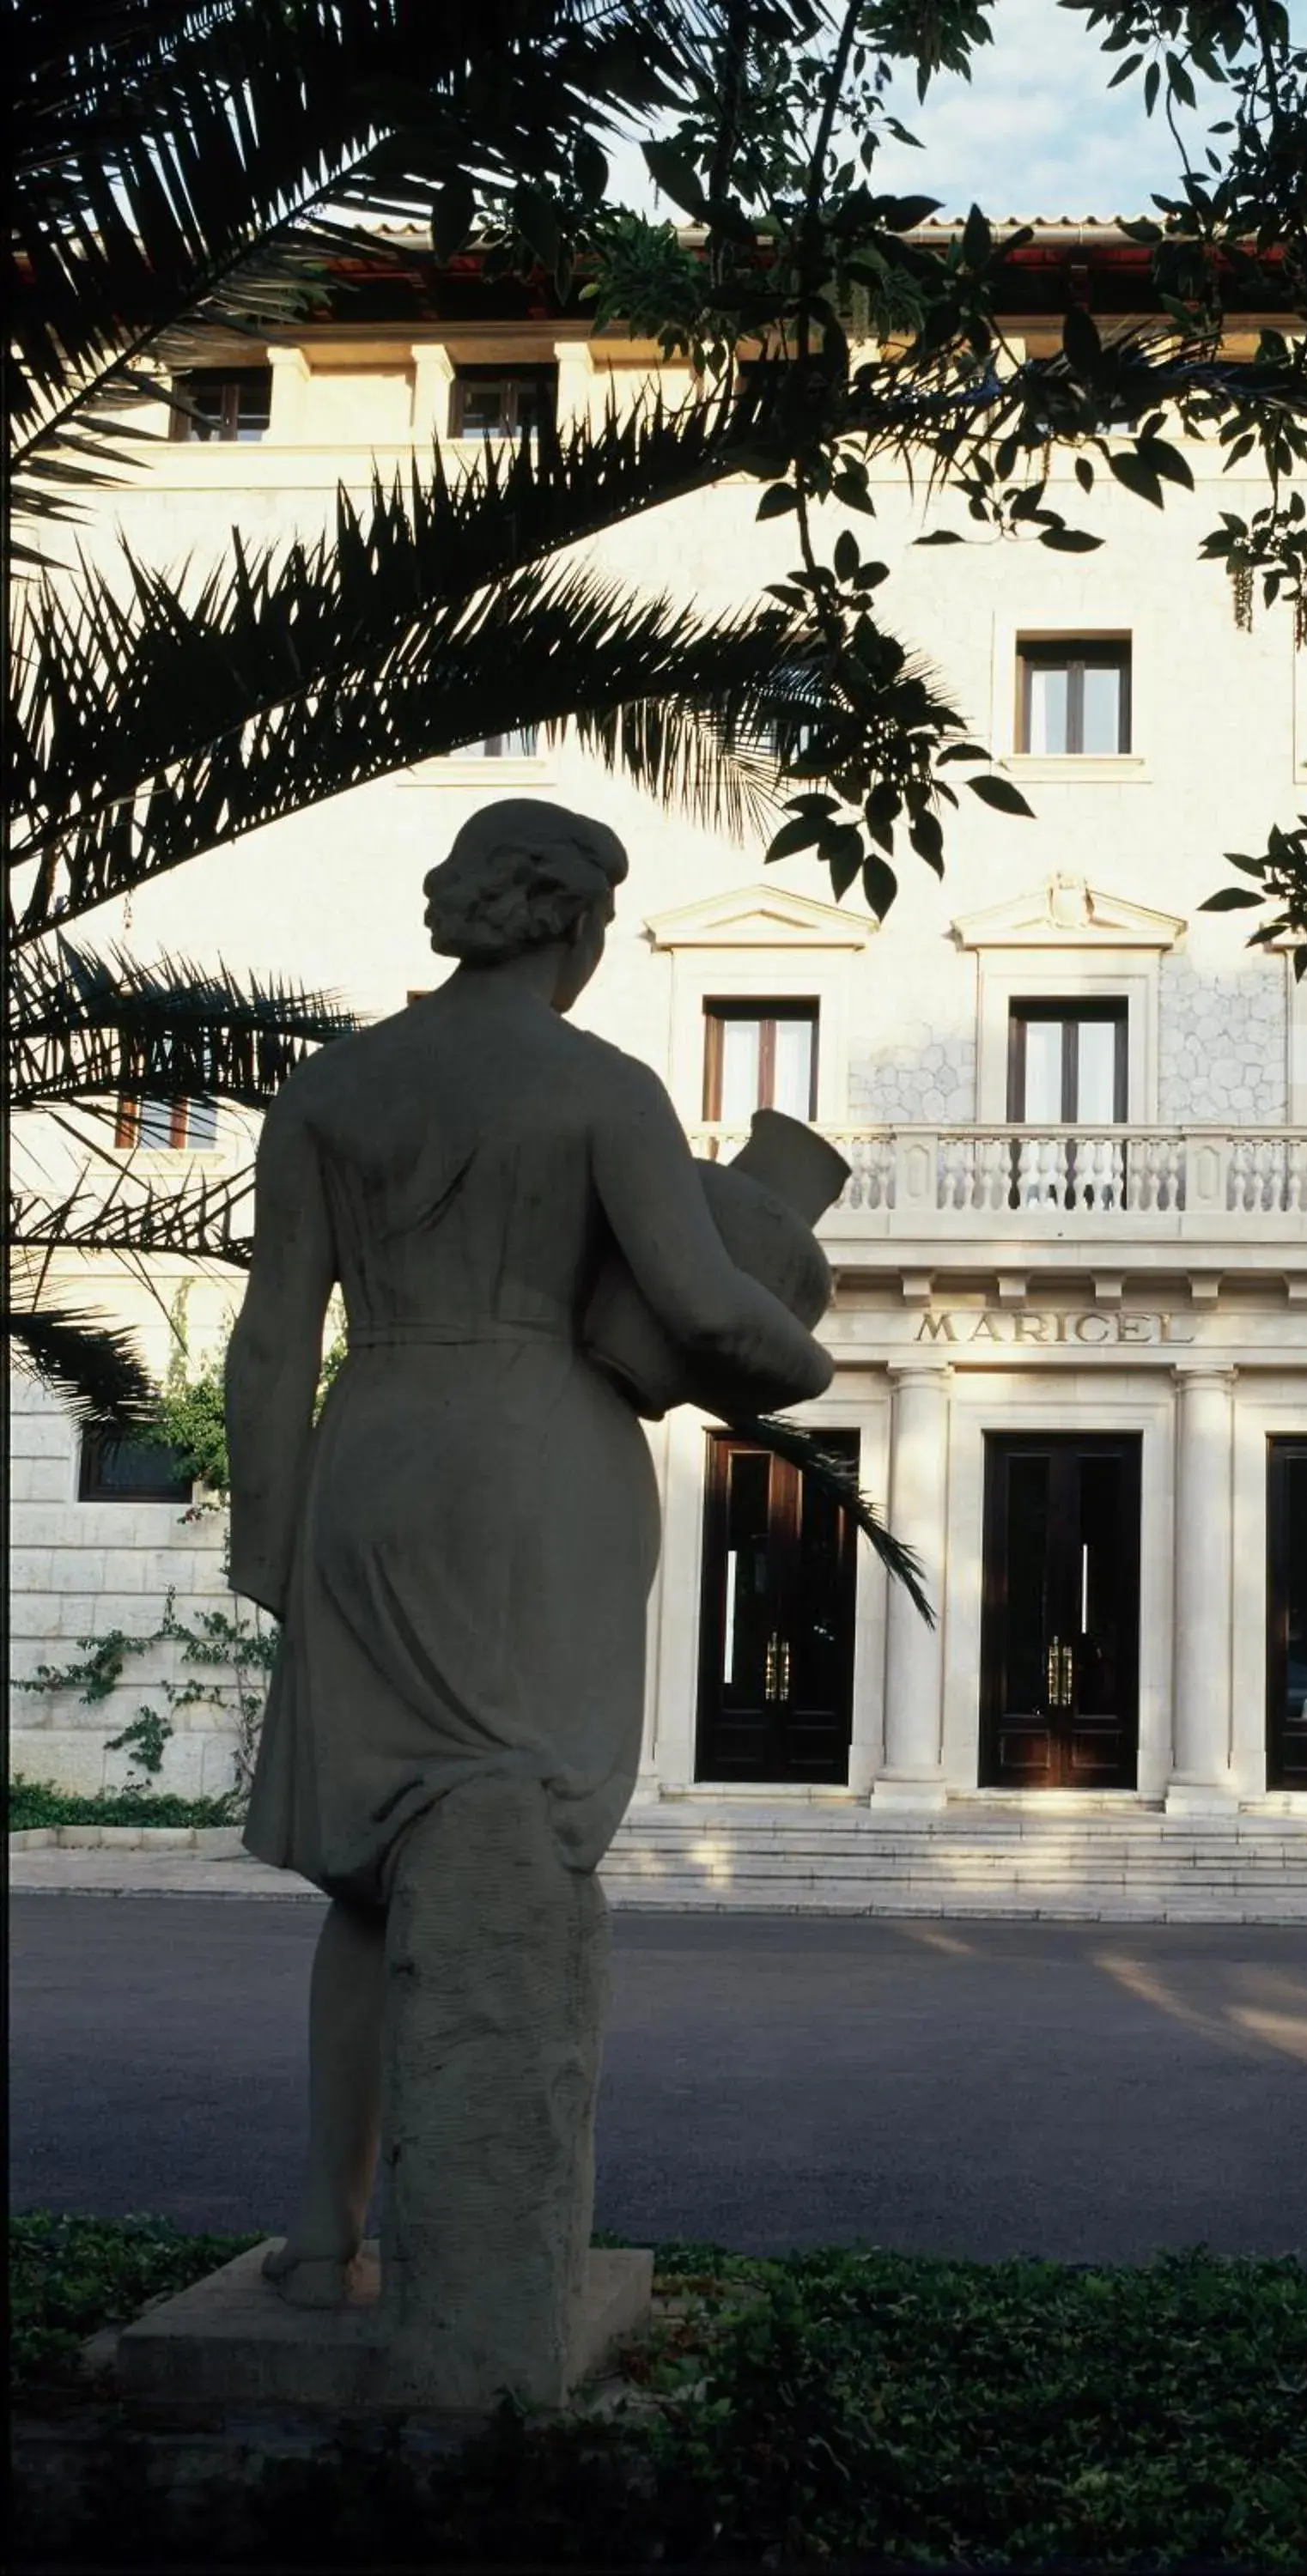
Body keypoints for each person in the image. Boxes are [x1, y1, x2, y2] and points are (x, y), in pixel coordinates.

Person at [227, 799, 831, 2313]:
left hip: (373, 1451)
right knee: (526, 1834)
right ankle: (494, 2242)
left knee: (366, 1885)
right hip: (540, 1457)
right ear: (570, 924)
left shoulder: (329, 1090)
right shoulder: (602, 1090)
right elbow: (700, 1310)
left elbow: (268, 1337)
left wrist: (271, 1533)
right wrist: (802, 1359)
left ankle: (326, 2232)